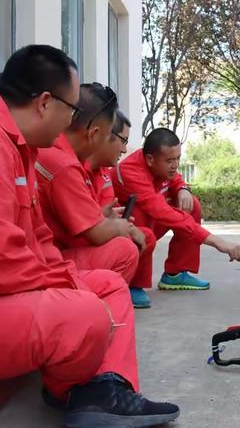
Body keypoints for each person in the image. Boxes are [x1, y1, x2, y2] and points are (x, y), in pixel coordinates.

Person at [0, 45, 179, 427]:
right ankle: (75, 388)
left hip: (19, 285)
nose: (71, 121)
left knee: (109, 285)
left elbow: (39, 238)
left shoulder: (24, 151)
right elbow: (6, 255)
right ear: (46, 103)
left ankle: (105, 390)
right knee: (86, 313)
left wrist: (64, 277)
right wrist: (63, 284)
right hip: (9, 288)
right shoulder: (12, 149)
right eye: (71, 108)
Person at [35, 84, 152, 307]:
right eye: (113, 137)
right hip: (45, 260)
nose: (123, 149)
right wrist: (122, 227)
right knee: (124, 249)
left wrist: (100, 217)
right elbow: (97, 234)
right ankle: (91, 310)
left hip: (47, 252)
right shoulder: (64, 164)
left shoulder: (59, 155)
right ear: (95, 133)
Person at [111, 127, 240, 290]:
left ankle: (175, 273)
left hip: (147, 221)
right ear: (150, 159)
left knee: (191, 204)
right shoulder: (131, 171)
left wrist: (183, 188)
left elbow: (175, 178)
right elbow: (162, 212)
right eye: (170, 161)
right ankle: (133, 284)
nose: (175, 165)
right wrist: (218, 242)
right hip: (127, 228)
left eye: (178, 159)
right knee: (142, 213)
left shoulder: (160, 164)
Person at [86, 110, 157, 308]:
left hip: (97, 231)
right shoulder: (68, 168)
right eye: (123, 141)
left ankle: (129, 287)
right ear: (99, 134)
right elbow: (87, 228)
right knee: (125, 245)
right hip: (80, 242)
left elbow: (111, 208)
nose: (125, 150)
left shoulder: (103, 172)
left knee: (143, 235)